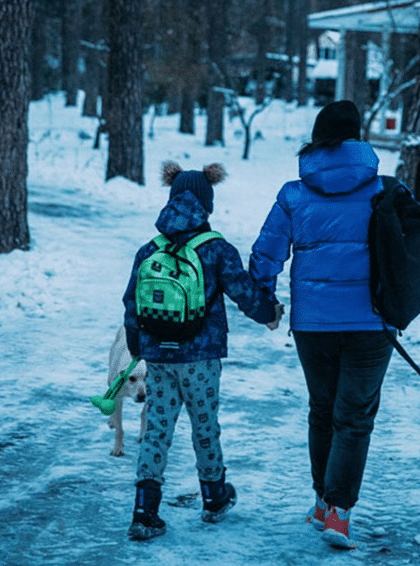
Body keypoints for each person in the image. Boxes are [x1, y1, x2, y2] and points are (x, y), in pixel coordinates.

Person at [248, 100, 395, 550]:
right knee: (354, 418)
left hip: (313, 325)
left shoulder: (293, 193)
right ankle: (339, 512)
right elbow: (419, 246)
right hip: (372, 324)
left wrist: (265, 303)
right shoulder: (385, 189)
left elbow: (266, 254)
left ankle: (321, 501)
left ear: (317, 138)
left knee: (323, 410)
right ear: (358, 137)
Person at [122, 161, 283, 541]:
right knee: (205, 425)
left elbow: (131, 302)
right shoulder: (216, 249)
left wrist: (138, 347)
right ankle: (213, 498)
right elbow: (243, 291)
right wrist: (269, 314)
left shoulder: (150, 249)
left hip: (159, 357)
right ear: (207, 203)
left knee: (157, 428)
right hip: (201, 357)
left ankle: (145, 510)